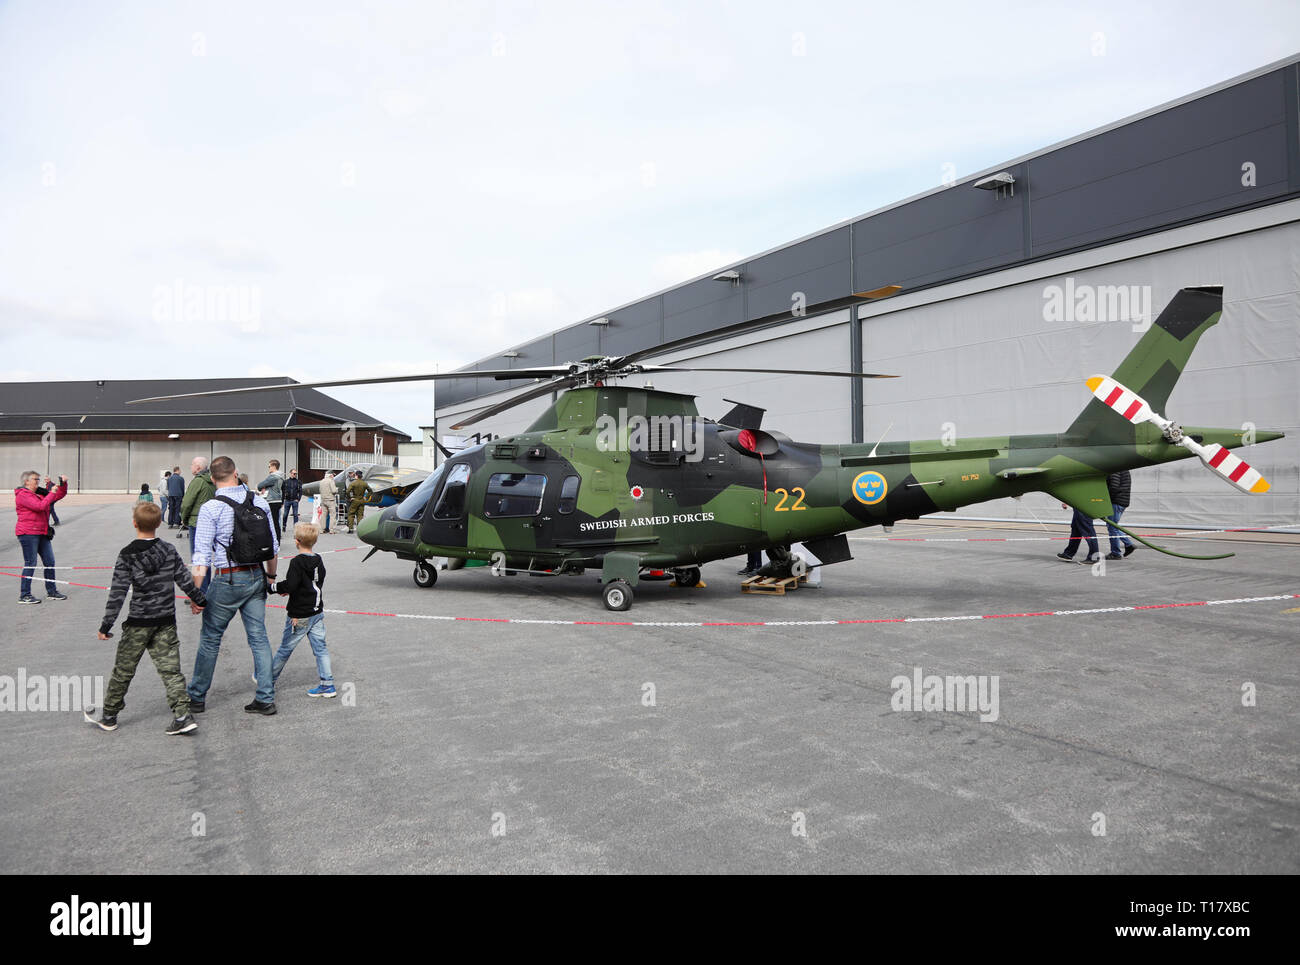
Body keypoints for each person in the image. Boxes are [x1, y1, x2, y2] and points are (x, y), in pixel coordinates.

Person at [83, 501, 205, 736]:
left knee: (124, 670)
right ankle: (182, 714)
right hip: (165, 619)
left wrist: (106, 625)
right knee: (171, 670)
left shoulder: (127, 554)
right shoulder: (169, 550)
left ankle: (109, 715)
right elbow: (184, 579)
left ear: (134, 523)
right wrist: (199, 599)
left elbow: (118, 593)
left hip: (139, 621)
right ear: (159, 523)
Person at [187, 456, 280, 716]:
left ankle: (196, 696)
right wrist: (270, 577)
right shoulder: (258, 501)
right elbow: (272, 546)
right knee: (259, 638)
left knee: (210, 638)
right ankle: (265, 697)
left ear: (212, 479)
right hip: (255, 576)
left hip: (227, 577)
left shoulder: (210, 508)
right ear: (236, 473)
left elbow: (201, 556)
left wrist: (196, 592)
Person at [271, 522, 335, 698]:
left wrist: (274, 588)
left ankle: (268, 681)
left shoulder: (297, 562)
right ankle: (327, 684)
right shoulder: (318, 559)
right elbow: (316, 579)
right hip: (316, 611)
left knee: (285, 649)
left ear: (297, 541)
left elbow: (291, 584)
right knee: (321, 649)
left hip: (299, 614)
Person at [14, 471, 68, 604]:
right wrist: (51, 492)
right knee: (30, 563)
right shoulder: (23, 495)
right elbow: (40, 506)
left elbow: (59, 495)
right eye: (35, 479)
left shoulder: (39, 492)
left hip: (42, 532)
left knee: (50, 562)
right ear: (26, 481)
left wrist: (63, 483)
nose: (38, 481)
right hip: (28, 533)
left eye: (38, 479)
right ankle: (24, 595)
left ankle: (52, 591)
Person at [179, 456, 217, 593]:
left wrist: (183, 518)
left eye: (192, 464)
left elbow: (187, 503)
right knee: (206, 557)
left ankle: (199, 590)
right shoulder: (212, 481)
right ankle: (206, 587)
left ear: (198, 468)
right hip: (210, 523)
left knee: (198, 558)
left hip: (196, 522)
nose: (190, 466)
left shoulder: (197, 482)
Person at [1105, 470, 1137, 560]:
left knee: (1112, 527)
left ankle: (1116, 553)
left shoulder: (1116, 468)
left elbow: (1114, 487)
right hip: (1121, 501)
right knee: (1113, 526)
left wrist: (1107, 500)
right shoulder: (1123, 468)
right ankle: (1129, 545)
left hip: (1116, 501)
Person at [257, 459, 286, 541]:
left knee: (272, 523)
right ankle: (277, 540)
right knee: (276, 522)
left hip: (272, 501)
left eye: (269, 466)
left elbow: (260, 485)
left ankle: (275, 541)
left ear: (274, 466)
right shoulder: (280, 477)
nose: (268, 468)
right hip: (278, 501)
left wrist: (263, 487)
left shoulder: (273, 476)